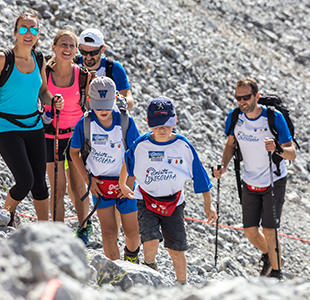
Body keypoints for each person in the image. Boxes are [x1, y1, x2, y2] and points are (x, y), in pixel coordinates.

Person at [119, 96, 217, 285]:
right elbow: (127, 161)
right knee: (151, 242)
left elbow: (200, 174)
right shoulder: (141, 145)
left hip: (174, 202)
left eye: (167, 124)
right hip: (146, 199)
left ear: (175, 121)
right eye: (157, 125)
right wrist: (123, 184)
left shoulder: (182, 145)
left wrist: (208, 204)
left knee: (176, 250)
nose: (162, 129)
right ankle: (149, 269)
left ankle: (182, 285)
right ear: (148, 123)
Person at [0, 8, 64, 225]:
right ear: (15, 32)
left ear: (38, 34)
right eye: (24, 28)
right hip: (6, 128)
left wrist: (53, 100)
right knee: (25, 180)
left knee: (39, 183)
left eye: (34, 29)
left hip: (34, 126)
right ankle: (4, 216)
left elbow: (42, 92)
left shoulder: (39, 58)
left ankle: (45, 231)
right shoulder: (3, 59)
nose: (29, 33)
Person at [213, 78, 296, 279]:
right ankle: (272, 257)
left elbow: (291, 153)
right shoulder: (234, 118)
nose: (242, 101)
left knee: (269, 229)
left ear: (256, 96)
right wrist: (223, 166)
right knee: (250, 231)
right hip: (249, 181)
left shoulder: (273, 118)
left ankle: (276, 274)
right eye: (238, 98)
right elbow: (230, 144)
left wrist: (276, 149)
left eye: (246, 97)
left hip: (273, 180)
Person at [70, 76, 140, 260]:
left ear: (115, 100)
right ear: (89, 101)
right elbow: (74, 152)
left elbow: (135, 155)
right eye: (98, 105)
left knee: (132, 234)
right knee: (109, 233)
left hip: (126, 183)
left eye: (107, 105)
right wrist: (87, 179)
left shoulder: (126, 122)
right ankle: (116, 273)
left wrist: (128, 184)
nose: (103, 110)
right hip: (99, 185)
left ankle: (131, 256)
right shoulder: (85, 124)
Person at [43, 26, 91, 242]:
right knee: (58, 188)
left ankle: (83, 230)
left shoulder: (82, 76)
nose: (68, 48)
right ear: (54, 47)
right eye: (63, 44)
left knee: (77, 184)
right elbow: (38, 97)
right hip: (50, 136)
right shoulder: (44, 73)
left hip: (75, 137)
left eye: (72, 45)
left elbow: (90, 105)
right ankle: (58, 235)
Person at [76, 28, 133, 110]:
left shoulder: (114, 68)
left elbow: (129, 102)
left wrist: (118, 101)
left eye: (93, 53)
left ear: (102, 49)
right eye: (84, 52)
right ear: (79, 48)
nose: (88, 57)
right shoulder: (73, 64)